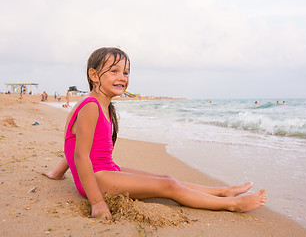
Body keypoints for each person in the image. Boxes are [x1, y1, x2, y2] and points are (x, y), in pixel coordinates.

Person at [45, 47, 266, 219]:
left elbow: (71, 145)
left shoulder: (101, 106)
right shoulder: (91, 107)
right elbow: (80, 155)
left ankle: (220, 192)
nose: (122, 77)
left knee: (166, 179)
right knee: (168, 186)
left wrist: (57, 173)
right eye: (114, 71)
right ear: (94, 75)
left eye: (126, 72)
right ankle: (232, 204)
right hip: (96, 180)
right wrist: (97, 203)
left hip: (106, 171)